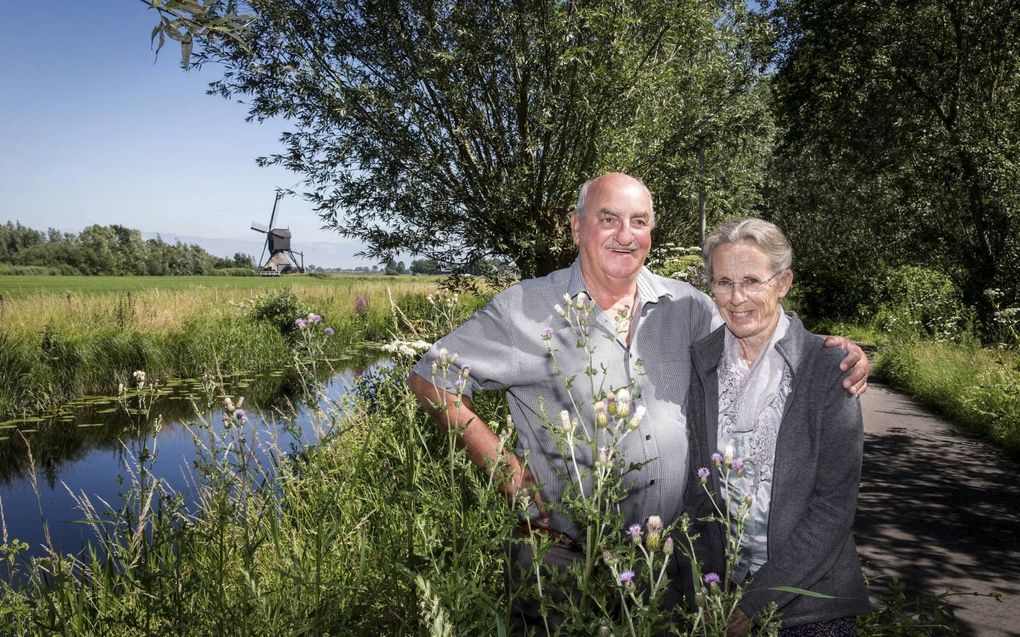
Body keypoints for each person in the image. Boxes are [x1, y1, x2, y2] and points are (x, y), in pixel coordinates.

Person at [408, 173, 868, 633]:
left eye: (639, 221)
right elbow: (430, 379)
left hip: (663, 568)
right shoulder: (524, 310)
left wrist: (827, 353)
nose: (625, 236)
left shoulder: (688, 307)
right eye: (608, 220)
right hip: (562, 564)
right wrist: (506, 470)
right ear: (576, 227)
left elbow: (755, 328)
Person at [677, 218, 870, 636]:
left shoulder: (827, 365)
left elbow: (834, 506)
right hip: (720, 596)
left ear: (783, 283)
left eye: (752, 280)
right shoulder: (703, 363)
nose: (737, 297)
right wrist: (704, 586)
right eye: (723, 282)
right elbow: (699, 488)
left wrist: (753, 604)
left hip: (809, 602)